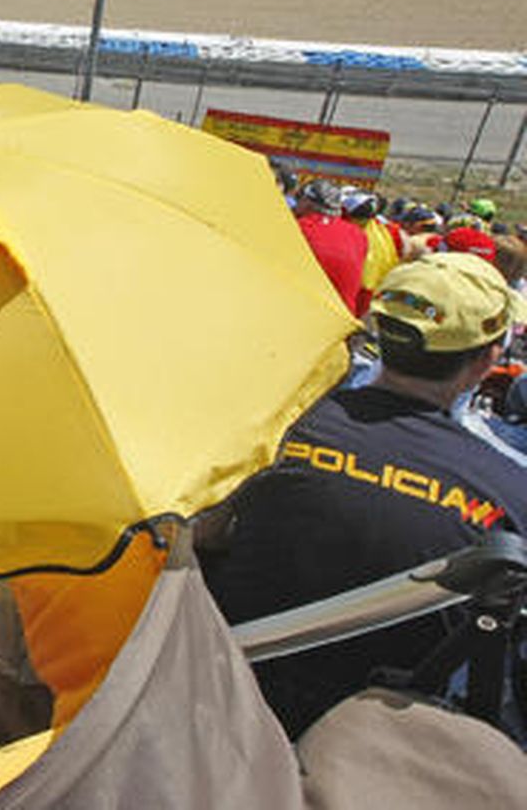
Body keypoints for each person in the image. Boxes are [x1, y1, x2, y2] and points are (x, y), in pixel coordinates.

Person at [201, 252, 527, 739]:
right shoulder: (508, 490)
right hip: (365, 739)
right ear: (487, 360)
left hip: (214, 688)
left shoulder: (275, 425)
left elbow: (203, 532)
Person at [294, 178, 366, 315]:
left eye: (299, 198)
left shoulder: (297, 227)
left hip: (306, 313)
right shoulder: (359, 235)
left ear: (307, 202)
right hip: (344, 317)